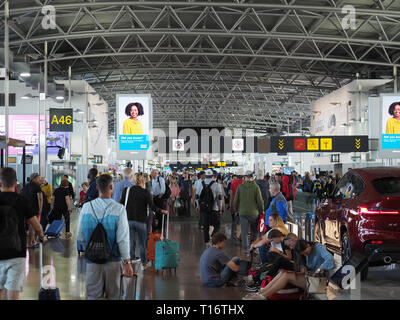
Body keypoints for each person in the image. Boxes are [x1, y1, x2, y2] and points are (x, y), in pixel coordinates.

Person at [77, 174, 134, 300]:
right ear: (111, 187)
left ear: (97, 188)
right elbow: (123, 239)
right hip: (113, 262)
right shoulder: (119, 209)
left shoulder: (86, 208)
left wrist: (91, 249)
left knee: (93, 296)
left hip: (92, 262)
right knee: (114, 296)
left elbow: (80, 236)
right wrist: (127, 263)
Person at [0, 168, 45, 300]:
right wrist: (42, 236)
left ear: (0, 183)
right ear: (15, 183)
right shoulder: (22, 201)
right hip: (17, 252)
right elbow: (36, 225)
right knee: (13, 291)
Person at [243, 239, 335, 300]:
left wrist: (318, 270)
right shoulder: (303, 252)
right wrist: (303, 266)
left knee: (286, 275)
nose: (306, 255)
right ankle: (260, 293)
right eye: (304, 254)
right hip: (310, 278)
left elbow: (330, 259)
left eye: (306, 252)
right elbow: (302, 263)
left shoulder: (318, 247)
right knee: (283, 272)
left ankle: (261, 296)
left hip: (319, 281)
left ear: (308, 245)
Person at [120, 173, 168, 270]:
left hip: (128, 220)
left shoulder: (127, 190)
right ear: (142, 181)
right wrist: (162, 211)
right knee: (142, 242)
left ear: (134, 181)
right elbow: (152, 207)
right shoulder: (146, 192)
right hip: (141, 221)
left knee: (131, 240)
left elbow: (121, 203)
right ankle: (143, 263)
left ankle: (132, 258)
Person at [233, 170, 264, 255]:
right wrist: (262, 210)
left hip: (243, 213)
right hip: (254, 213)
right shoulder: (256, 187)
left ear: (245, 177)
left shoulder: (240, 187)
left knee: (244, 232)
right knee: (255, 231)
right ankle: (254, 248)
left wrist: (235, 210)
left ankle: (246, 251)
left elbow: (236, 200)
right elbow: (260, 201)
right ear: (252, 177)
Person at [195, 170, 224, 246]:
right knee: (217, 225)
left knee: (205, 226)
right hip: (214, 209)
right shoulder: (217, 185)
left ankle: (207, 241)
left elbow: (197, 196)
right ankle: (212, 236)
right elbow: (219, 198)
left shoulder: (200, 184)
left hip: (203, 208)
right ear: (212, 176)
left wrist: (198, 205)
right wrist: (220, 207)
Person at [22, 173, 43, 248]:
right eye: (38, 178)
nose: (39, 179)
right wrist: (40, 209)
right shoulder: (37, 187)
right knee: (33, 226)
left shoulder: (25, 187)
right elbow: (40, 198)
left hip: (24, 208)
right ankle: (30, 243)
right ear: (34, 178)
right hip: (34, 209)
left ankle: (33, 241)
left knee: (28, 226)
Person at [229, 170, 244, 240]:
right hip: (244, 205)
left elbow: (231, 195)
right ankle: (243, 234)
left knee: (237, 221)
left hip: (236, 204)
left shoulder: (233, 183)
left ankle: (238, 235)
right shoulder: (246, 183)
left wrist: (230, 205)